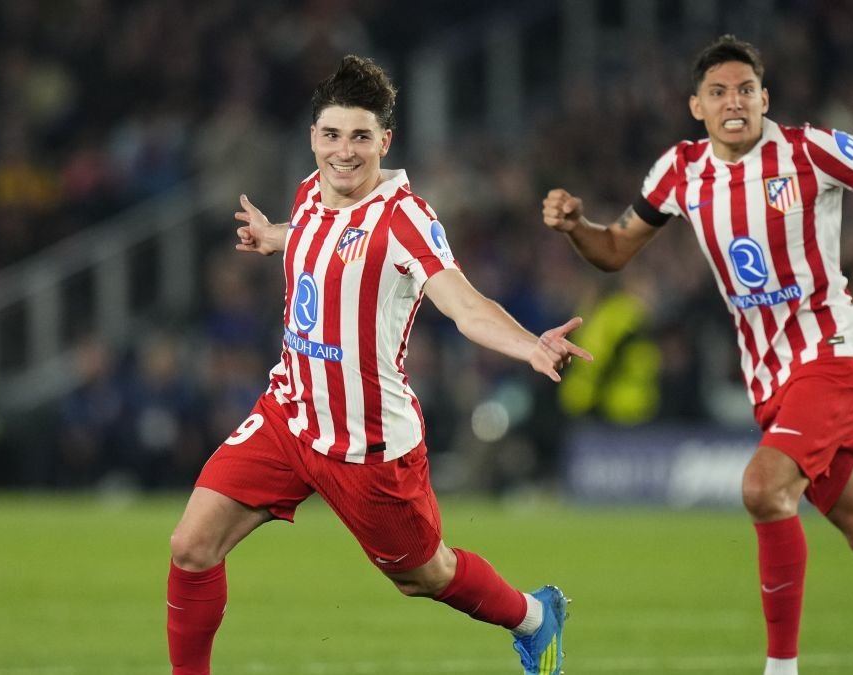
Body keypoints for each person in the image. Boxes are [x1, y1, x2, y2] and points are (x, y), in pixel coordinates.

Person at [542, 35, 853, 675]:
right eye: (719, 93)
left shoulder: (809, 150)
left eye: (746, 90)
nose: (734, 102)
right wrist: (579, 226)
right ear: (697, 106)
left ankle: (781, 669)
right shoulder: (679, 171)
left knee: (763, 488)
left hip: (834, 351)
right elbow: (614, 251)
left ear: (765, 98)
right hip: (770, 378)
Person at [167, 55, 589, 675]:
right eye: (332, 135)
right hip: (289, 413)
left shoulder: (405, 218)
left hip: (368, 443)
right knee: (192, 546)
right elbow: (320, 232)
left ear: (384, 141)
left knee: (425, 575)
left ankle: (531, 614)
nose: (344, 151)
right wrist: (274, 236)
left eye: (360, 136)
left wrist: (529, 344)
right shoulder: (310, 193)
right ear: (313, 137)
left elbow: (461, 300)